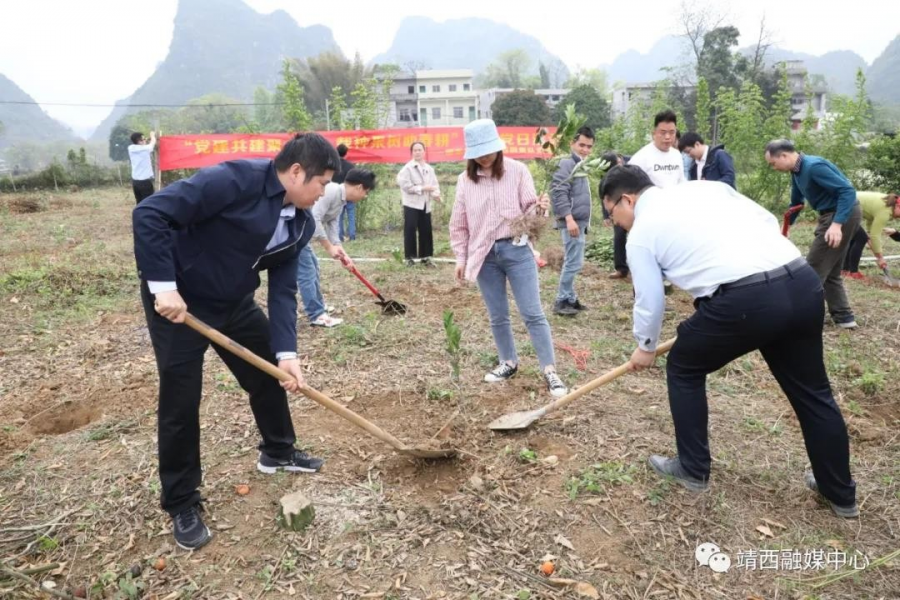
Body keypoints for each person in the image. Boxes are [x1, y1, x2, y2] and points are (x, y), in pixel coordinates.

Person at [600, 165, 858, 519]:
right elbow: (766, 218)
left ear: (626, 199)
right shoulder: (702, 189)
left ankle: (692, 468)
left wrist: (645, 345)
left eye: (611, 212)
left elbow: (650, 298)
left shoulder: (641, 233)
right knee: (813, 393)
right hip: (800, 281)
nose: (615, 221)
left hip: (748, 300)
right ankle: (840, 493)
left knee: (684, 367)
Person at [133, 133, 339, 550]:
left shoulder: (300, 224)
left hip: (233, 301)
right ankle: (181, 501)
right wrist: (164, 287)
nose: (324, 192)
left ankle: (278, 451)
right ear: (297, 172)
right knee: (181, 400)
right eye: (321, 183)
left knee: (267, 373)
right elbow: (150, 214)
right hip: (181, 303)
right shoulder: (234, 180)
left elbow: (282, 291)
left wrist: (287, 354)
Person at [449, 119, 569, 398]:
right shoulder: (465, 181)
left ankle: (550, 370)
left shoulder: (517, 171)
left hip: (516, 250)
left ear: (497, 147)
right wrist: (460, 257)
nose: (484, 156)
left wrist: (540, 209)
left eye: (488, 150)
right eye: (478, 152)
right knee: (497, 315)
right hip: (483, 254)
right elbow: (459, 224)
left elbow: (532, 213)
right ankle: (508, 362)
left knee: (532, 313)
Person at [765, 139, 861, 329]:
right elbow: (796, 201)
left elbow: (847, 191)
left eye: (773, 164)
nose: (774, 168)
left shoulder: (814, 166)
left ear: (783, 155)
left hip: (841, 214)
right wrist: (786, 226)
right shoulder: (797, 171)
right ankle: (844, 318)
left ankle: (800, 318)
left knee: (811, 270)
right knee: (832, 270)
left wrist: (836, 224)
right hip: (834, 214)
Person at [298, 168, 377, 327]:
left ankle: (319, 306)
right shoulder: (331, 191)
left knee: (314, 266)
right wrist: (328, 247)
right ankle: (316, 314)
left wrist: (343, 253)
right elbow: (315, 218)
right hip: (296, 233)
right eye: (366, 192)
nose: (364, 196)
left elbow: (332, 226)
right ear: (359, 187)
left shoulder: (341, 199)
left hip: (302, 235)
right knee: (307, 272)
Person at [550, 126, 595, 315]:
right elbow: (559, 192)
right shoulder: (567, 164)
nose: (585, 149)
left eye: (589, 146)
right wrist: (569, 219)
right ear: (572, 143)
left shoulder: (581, 164)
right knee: (572, 262)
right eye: (581, 145)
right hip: (572, 222)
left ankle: (570, 298)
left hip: (579, 221)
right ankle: (561, 300)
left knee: (575, 260)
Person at [397, 141, 440, 267]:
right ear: (412, 152)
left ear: (424, 151)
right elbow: (405, 186)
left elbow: (434, 185)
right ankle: (409, 258)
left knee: (426, 229)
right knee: (410, 229)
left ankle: (426, 257)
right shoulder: (407, 168)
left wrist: (436, 194)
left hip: (425, 204)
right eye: (415, 150)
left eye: (419, 150)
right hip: (411, 204)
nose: (417, 152)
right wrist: (422, 188)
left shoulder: (429, 169)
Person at [842, 191, 900, 277]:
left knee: (855, 237)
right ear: (898, 206)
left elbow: (870, 218)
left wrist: (869, 235)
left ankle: (845, 270)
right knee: (861, 238)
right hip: (845, 205)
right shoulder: (885, 211)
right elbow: (875, 235)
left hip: (845, 202)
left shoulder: (888, 203)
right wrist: (880, 257)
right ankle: (853, 272)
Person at [627, 110, 686, 188]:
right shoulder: (640, 159)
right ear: (654, 134)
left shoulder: (677, 155)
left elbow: (681, 182)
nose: (667, 137)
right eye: (663, 132)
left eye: (672, 132)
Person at [599, 152, 629, 279]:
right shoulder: (606, 178)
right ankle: (621, 269)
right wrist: (606, 215)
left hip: (632, 209)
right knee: (619, 237)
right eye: (616, 163)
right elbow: (604, 197)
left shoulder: (630, 169)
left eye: (620, 161)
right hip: (617, 211)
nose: (620, 163)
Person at [335, 144, 357, 242]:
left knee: (339, 216)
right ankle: (352, 236)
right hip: (350, 194)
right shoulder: (351, 166)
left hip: (338, 194)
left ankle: (340, 236)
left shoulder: (334, 166)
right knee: (351, 215)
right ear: (346, 153)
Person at [128, 131, 157, 204]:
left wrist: (146, 140)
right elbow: (152, 144)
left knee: (139, 201)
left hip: (135, 181)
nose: (145, 140)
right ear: (139, 141)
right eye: (143, 139)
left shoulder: (131, 148)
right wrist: (152, 136)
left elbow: (146, 146)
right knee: (148, 203)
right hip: (144, 182)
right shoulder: (144, 148)